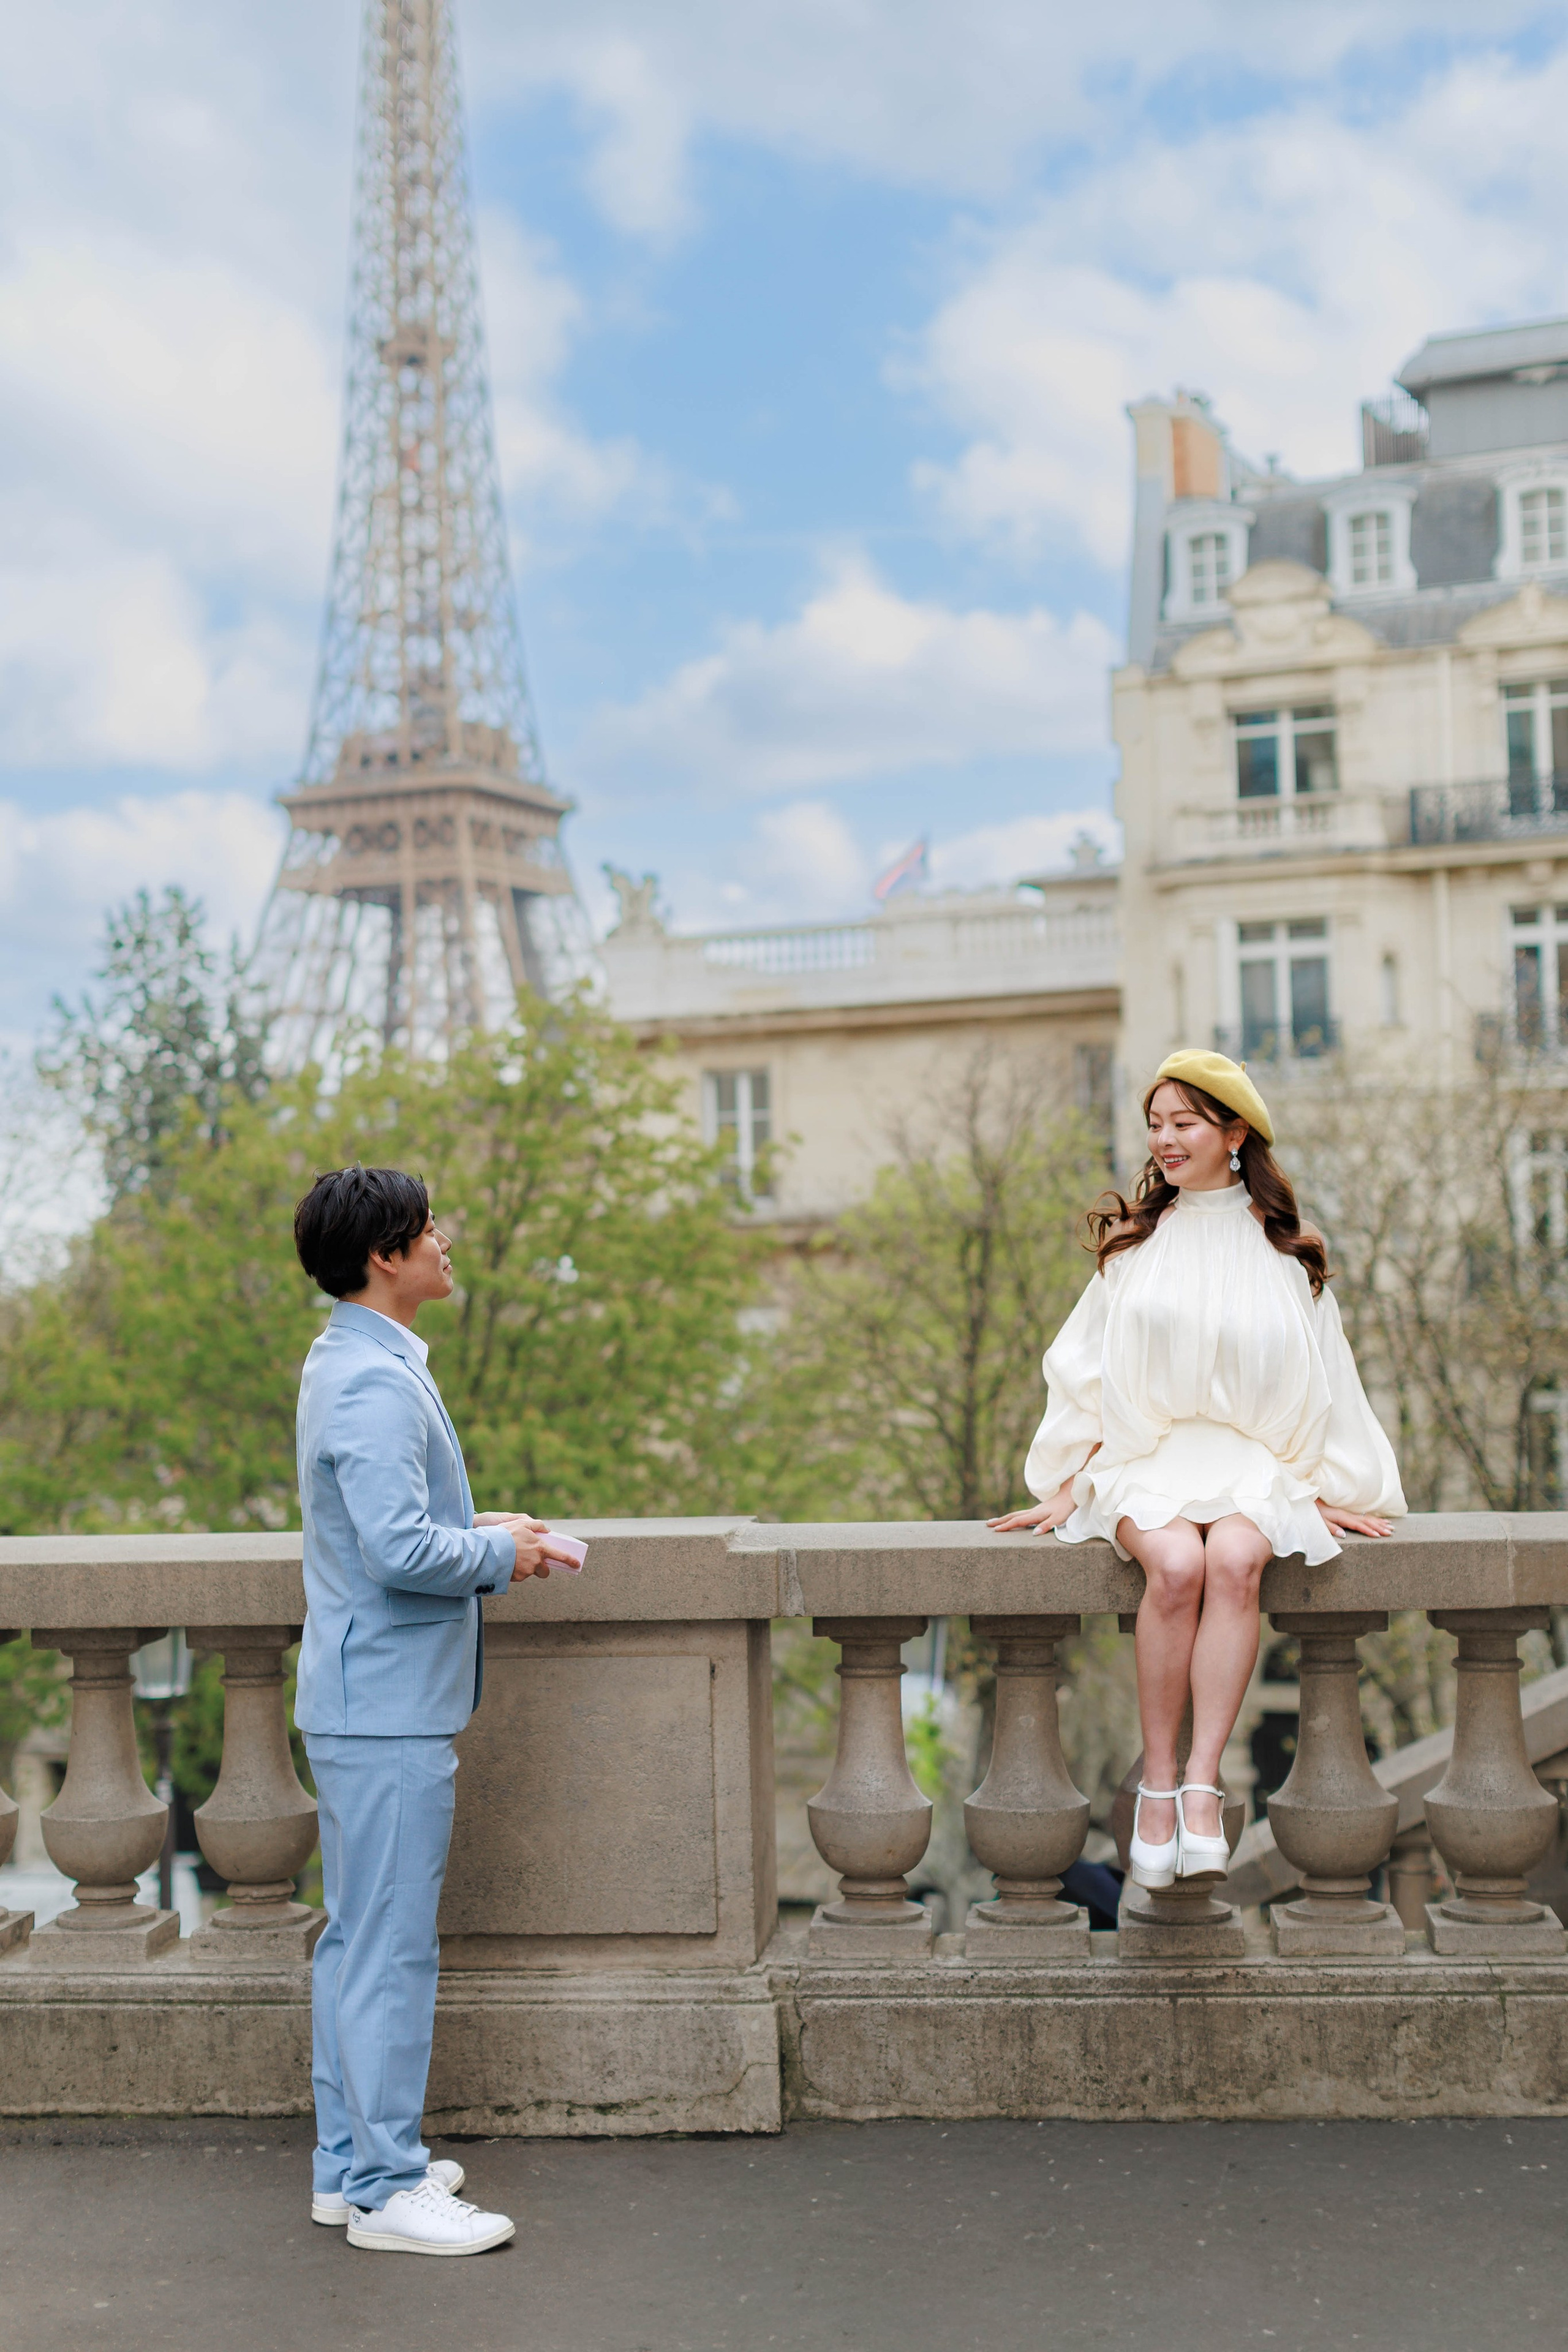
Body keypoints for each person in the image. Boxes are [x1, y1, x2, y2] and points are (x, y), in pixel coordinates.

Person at [989, 1049, 1404, 1889]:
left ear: (1235, 1132)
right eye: (1156, 1124)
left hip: (1255, 1460)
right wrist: (1069, 1481)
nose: (1165, 1139)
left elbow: (1327, 1376)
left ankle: (1203, 1787)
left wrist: (1327, 1488)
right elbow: (1084, 1368)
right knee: (1177, 1566)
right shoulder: (1134, 1246)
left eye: (1184, 1122)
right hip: (1146, 1457)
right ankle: (1157, 1783)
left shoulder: (1288, 1250)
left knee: (1238, 1559)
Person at [292, 1164, 576, 2256]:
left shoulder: (352, 1357)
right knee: (390, 1953)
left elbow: (394, 1522)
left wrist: (482, 1525)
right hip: (386, 1708)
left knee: (357, 1944)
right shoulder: (371, 1379)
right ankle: (386, 2189)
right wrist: (502, 1556)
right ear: (385, 1257)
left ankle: (348, 2169)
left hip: (364, 1700)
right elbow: (399, 1552)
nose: (444, 1241)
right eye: (426, 1230)